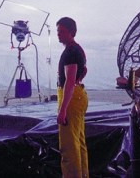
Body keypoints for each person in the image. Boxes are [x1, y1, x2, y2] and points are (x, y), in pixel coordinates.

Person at [56, 17, 89, 178]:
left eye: (62, 32)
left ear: (72, 32)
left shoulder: (70, 52)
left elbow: (69, 81)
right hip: (78, 95)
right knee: (78, 142)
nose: (58, 34)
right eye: (58, 31)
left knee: (69, 146)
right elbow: (83, 71)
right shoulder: (77, 50)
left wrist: (62, 110)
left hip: (71, 98)